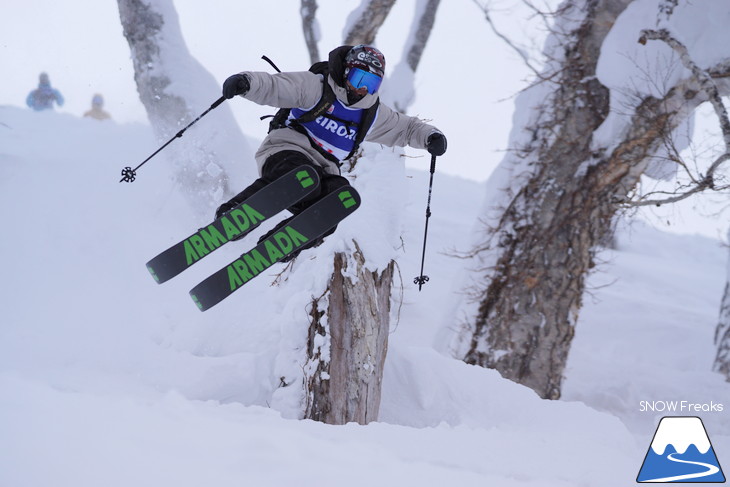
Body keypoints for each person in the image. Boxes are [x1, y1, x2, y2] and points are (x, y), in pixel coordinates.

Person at [216, 44, 448, 260]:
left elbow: (407, 128)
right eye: (359, 79)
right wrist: (246, 82)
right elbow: (276, 86)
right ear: (346, 72)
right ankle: (235, 216)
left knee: (341, 197)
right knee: (301, 175)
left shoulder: (371, 114)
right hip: (284, 151)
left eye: (371, 83)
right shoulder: (316, 87)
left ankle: (278, 246)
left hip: (322, 170)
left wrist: (430, 137)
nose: (363, 89)